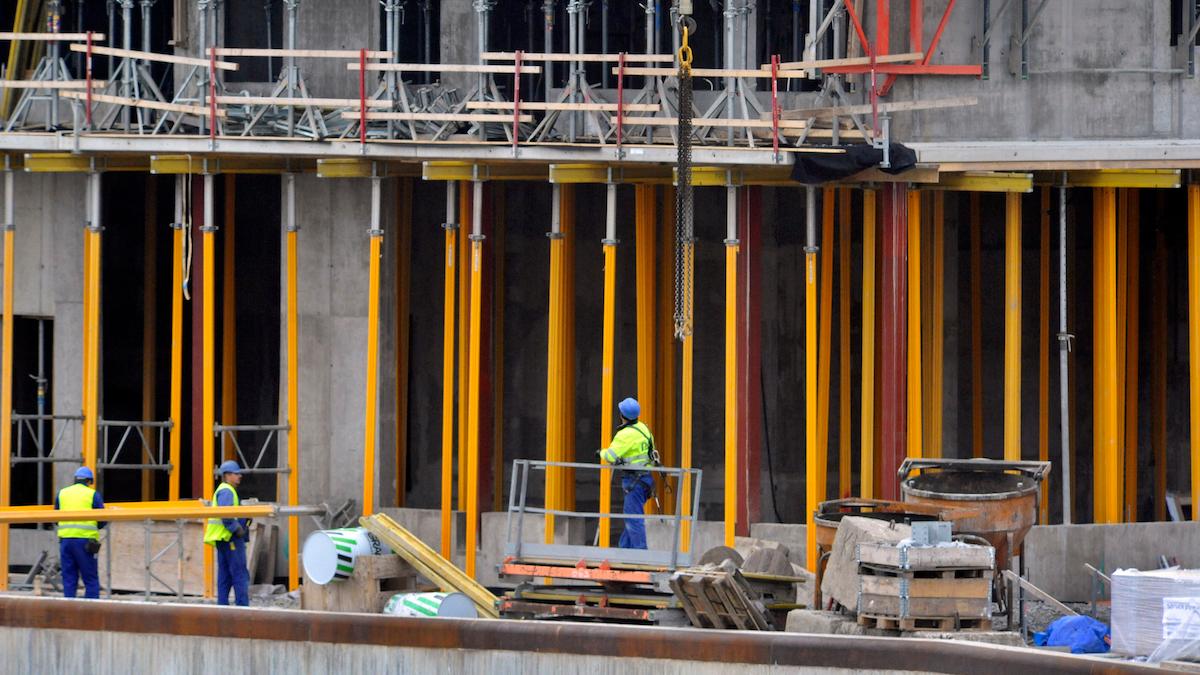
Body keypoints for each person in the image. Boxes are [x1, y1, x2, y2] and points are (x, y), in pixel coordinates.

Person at [600, 397, 657, 549]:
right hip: (646, 479)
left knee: (633, 518)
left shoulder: (625, 434)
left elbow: (611, 456)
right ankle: (624, 550)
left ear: (622, 415)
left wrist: (601, 453)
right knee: (631, 516)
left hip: (634, 481)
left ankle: (640, 554)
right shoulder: (644, 428)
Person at [203, 460, 250, 607]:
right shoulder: (227, 491)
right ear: (228, 475)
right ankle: (242, 608)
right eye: (236, 474)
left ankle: (222, 606)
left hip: (224, 539)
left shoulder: (224, 490)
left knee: (225, 575)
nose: (239, 476)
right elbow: (226, 515)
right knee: (239, 574)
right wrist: (238, 529)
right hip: (230, 539)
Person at [55, 466, 105, 599]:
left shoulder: (62, 493)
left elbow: (55, 517)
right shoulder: (92, 494)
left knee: (69, 579)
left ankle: (69, 611)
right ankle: (91, 612)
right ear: (89, 481)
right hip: (85, 542)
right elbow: (102, 519)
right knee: (90, 579)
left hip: (66, 541)